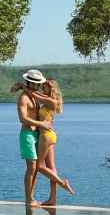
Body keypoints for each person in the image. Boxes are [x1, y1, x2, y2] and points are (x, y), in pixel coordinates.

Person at [35, 77, 74, 207]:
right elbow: (37, 95)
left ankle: (62, 183)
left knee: (38, 166)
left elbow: (34, 95)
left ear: (51, 88)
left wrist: (21, 86)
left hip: (46, 136)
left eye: (44, 86)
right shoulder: (50, 101)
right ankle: (52, 199)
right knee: (51, 168)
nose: (42, 88)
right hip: (49, 135)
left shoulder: (51, 101)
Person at [14, 70, 49, 206]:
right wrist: (40, 124)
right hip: (27, 135)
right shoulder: (23, 98)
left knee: (35, 168)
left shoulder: (34, 97)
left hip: (36, 135)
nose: (39, 86)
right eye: (37, 84)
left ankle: (31, 197)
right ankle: (28, 199)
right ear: (31, 83)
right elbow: (22, 119)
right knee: (31, 167)